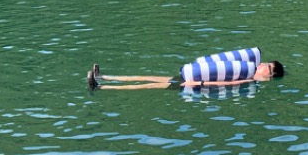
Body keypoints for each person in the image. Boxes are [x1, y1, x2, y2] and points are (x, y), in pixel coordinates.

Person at [87, 49, 284, 91]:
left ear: (270, 74)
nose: (263, 64)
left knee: (146, 85)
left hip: (194, 84)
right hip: (191, 79)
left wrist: (199, 83)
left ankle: (101, 87)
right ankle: (103, 75)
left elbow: (227, 82)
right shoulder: (249, 71)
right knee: (147, 77)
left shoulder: (250, 80)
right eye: (265, 62)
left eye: (267, 66)